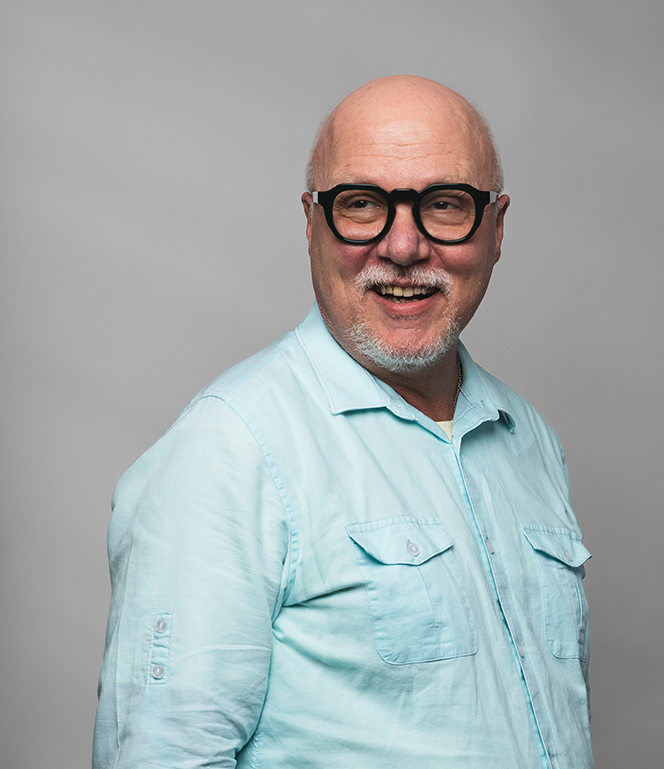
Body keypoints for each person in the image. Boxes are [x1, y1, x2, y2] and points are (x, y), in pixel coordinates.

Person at [93, 75, 593, 769]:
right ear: (310, 222)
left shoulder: (528, 438)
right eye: (363, 204)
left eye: (445, 205)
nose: (404, 246)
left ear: (497, 227)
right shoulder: (231, 449)